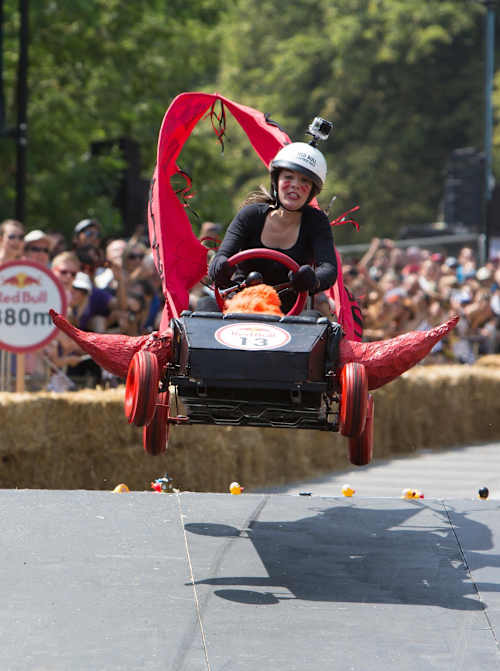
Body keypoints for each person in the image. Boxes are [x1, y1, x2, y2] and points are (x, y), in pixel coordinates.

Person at [203, 130, 337, 314]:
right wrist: (219, 266)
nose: (295, 185)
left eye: (304, 180)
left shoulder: (317, 222)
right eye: (288, 177)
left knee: (319, 321)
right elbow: (223, 256)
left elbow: (329, 269)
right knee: (204, 307)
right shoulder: (250, 215)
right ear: (276, 180)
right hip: (240, 306)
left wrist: (312, 278)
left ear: (312, 191)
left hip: (291, 315)